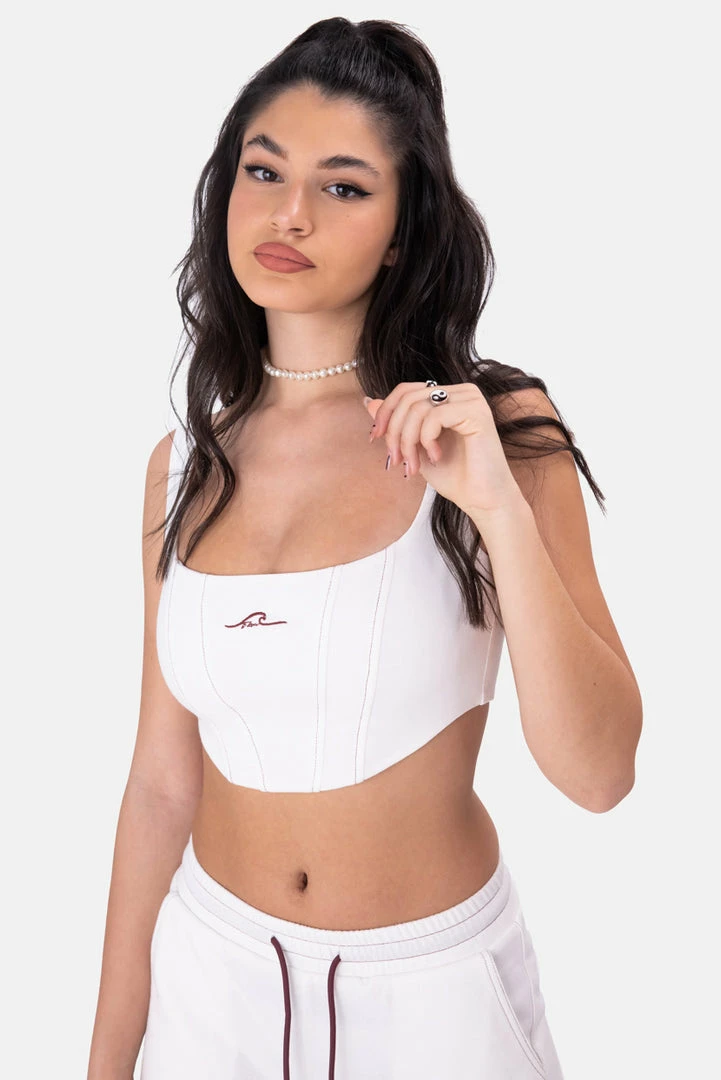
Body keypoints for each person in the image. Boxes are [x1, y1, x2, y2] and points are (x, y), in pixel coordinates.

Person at [87, 17, 643, 1080]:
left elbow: (599, 774)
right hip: (210, 981)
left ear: (400, 231)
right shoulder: (181, 466)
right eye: (264, 170)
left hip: (432, 1001)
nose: (290, 211)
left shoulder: (493, 431)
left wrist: (495, 508)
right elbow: (160, 785)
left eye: (343, 187)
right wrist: (107, 1064)